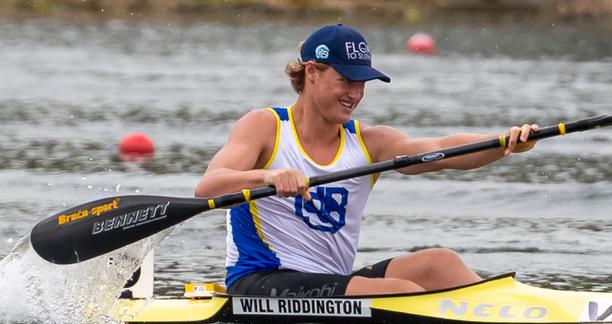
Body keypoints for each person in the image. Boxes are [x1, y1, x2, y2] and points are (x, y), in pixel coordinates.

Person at [195, 24, 538, 297]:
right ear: (311, 72)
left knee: (440, 263)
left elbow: (441, 149)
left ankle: (516, 311)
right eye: (345, 80)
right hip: (260, 282)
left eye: (362, 83)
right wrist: (268, 177)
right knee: (400, 292)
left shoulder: (369, 142)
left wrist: (504, 143)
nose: (355, 94)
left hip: (331, 282)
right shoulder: (265, 126)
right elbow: (207, 188)